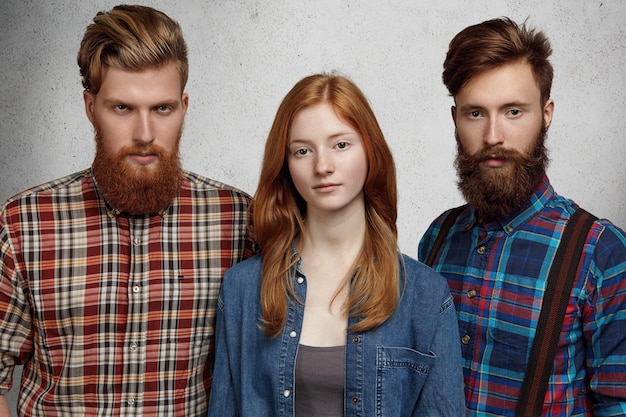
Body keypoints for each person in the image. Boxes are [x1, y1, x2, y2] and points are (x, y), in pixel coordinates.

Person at [0, 5, 255, 416]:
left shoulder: (238, 219)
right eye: (122, 108)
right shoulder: (24, 222)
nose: (145, 134)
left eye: (162, 108)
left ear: (184, 107)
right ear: (90, 107)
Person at [207, 73, 465, 416]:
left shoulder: (426, 296)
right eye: (302, 151)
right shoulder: (241, 289)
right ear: (285, 165)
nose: (323, 166)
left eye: (341, 145)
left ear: (370, 151)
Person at [418, 17, 626, 416]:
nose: (493, 135)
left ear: (546, 114)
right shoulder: (437, 238)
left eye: (514, 111)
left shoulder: (601, 253)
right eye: (475, 113)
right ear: (455, 119)